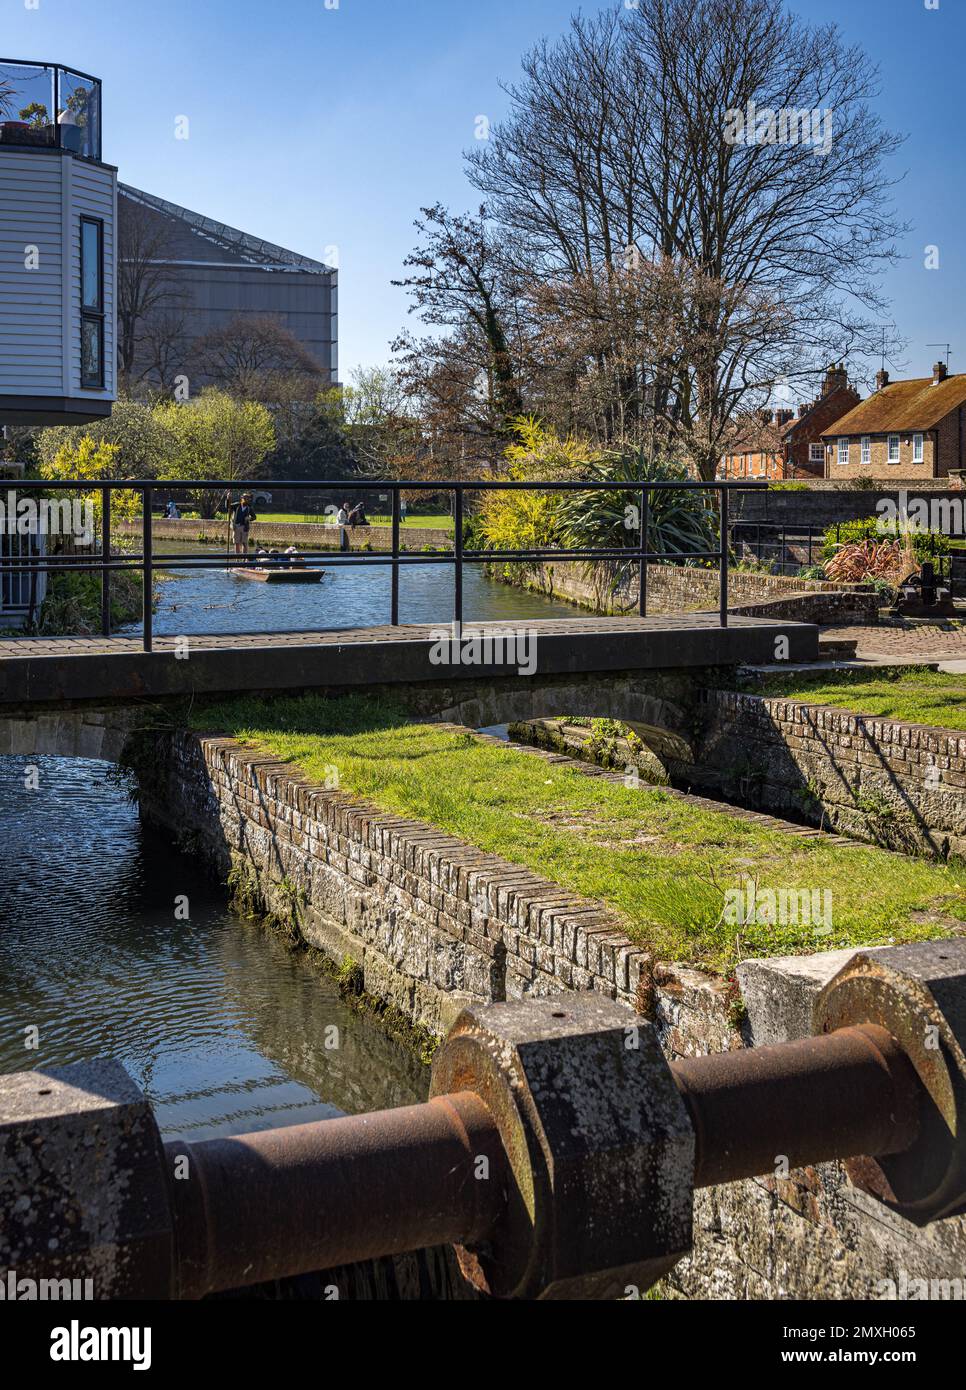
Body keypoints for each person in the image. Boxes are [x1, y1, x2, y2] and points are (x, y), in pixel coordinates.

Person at [225, 492, 257, 559]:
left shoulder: (249, 508)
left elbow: (254, 517)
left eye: (247, 499)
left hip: (244, 528)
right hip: (236, 527)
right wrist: (228, 498)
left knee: (244, 543)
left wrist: (249, 518)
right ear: (241, 499)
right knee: (237, 543)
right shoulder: (237, 505)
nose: (246, 500)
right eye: (245, 498)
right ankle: (237, 559)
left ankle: (244, 559)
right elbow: (228, 506)